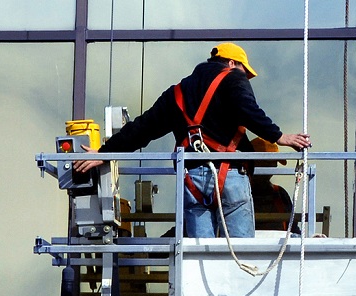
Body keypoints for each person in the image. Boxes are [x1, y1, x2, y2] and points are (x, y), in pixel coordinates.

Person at [73, 43, 311, 238]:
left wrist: (104, 153)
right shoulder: (233, 78)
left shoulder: (177, 93)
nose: (244, 75)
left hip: (192, 179)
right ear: (231, 63)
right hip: (230, 176)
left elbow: (142, 128)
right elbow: (248, 110)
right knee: (240, 253)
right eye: (243, 69)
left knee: (200, 257)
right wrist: (281, 137)